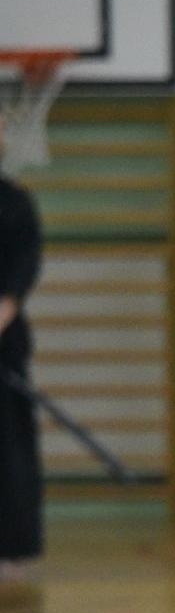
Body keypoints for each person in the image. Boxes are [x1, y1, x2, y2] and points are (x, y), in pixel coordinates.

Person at [0, 112, 44, 580]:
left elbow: (24, 265)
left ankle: (11, 547)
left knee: (9, 448)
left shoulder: (15, 202)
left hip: (4, 343)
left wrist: (3, 313)